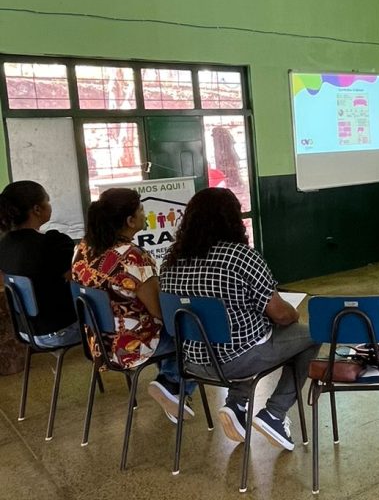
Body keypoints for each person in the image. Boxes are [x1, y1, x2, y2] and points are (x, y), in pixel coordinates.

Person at [160, 188, 319, 451]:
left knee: (250, 332)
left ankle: (237, 403)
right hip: (238, 361)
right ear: (233, 219)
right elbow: (280, 314)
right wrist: (293, 314)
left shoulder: (172, 261)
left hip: (192, 363)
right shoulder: (241, 257)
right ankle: (275, 413)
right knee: (312, 335)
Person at [71, 188, 194, 423]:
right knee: (196, 333)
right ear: (130, 220)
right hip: (131, 347)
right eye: (140, 209)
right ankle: (172, 384)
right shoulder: (132, 257)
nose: (144, 213)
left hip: (99, 343)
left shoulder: (82, 249)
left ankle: (171, 389)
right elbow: (161, 312)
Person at [0, 181, 79, 348]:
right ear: (37, 209)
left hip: (25, 331)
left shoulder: (4, 244)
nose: (50, 206)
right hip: (58, 331)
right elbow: (77, 278)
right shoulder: (53, 243)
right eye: (48, 201)